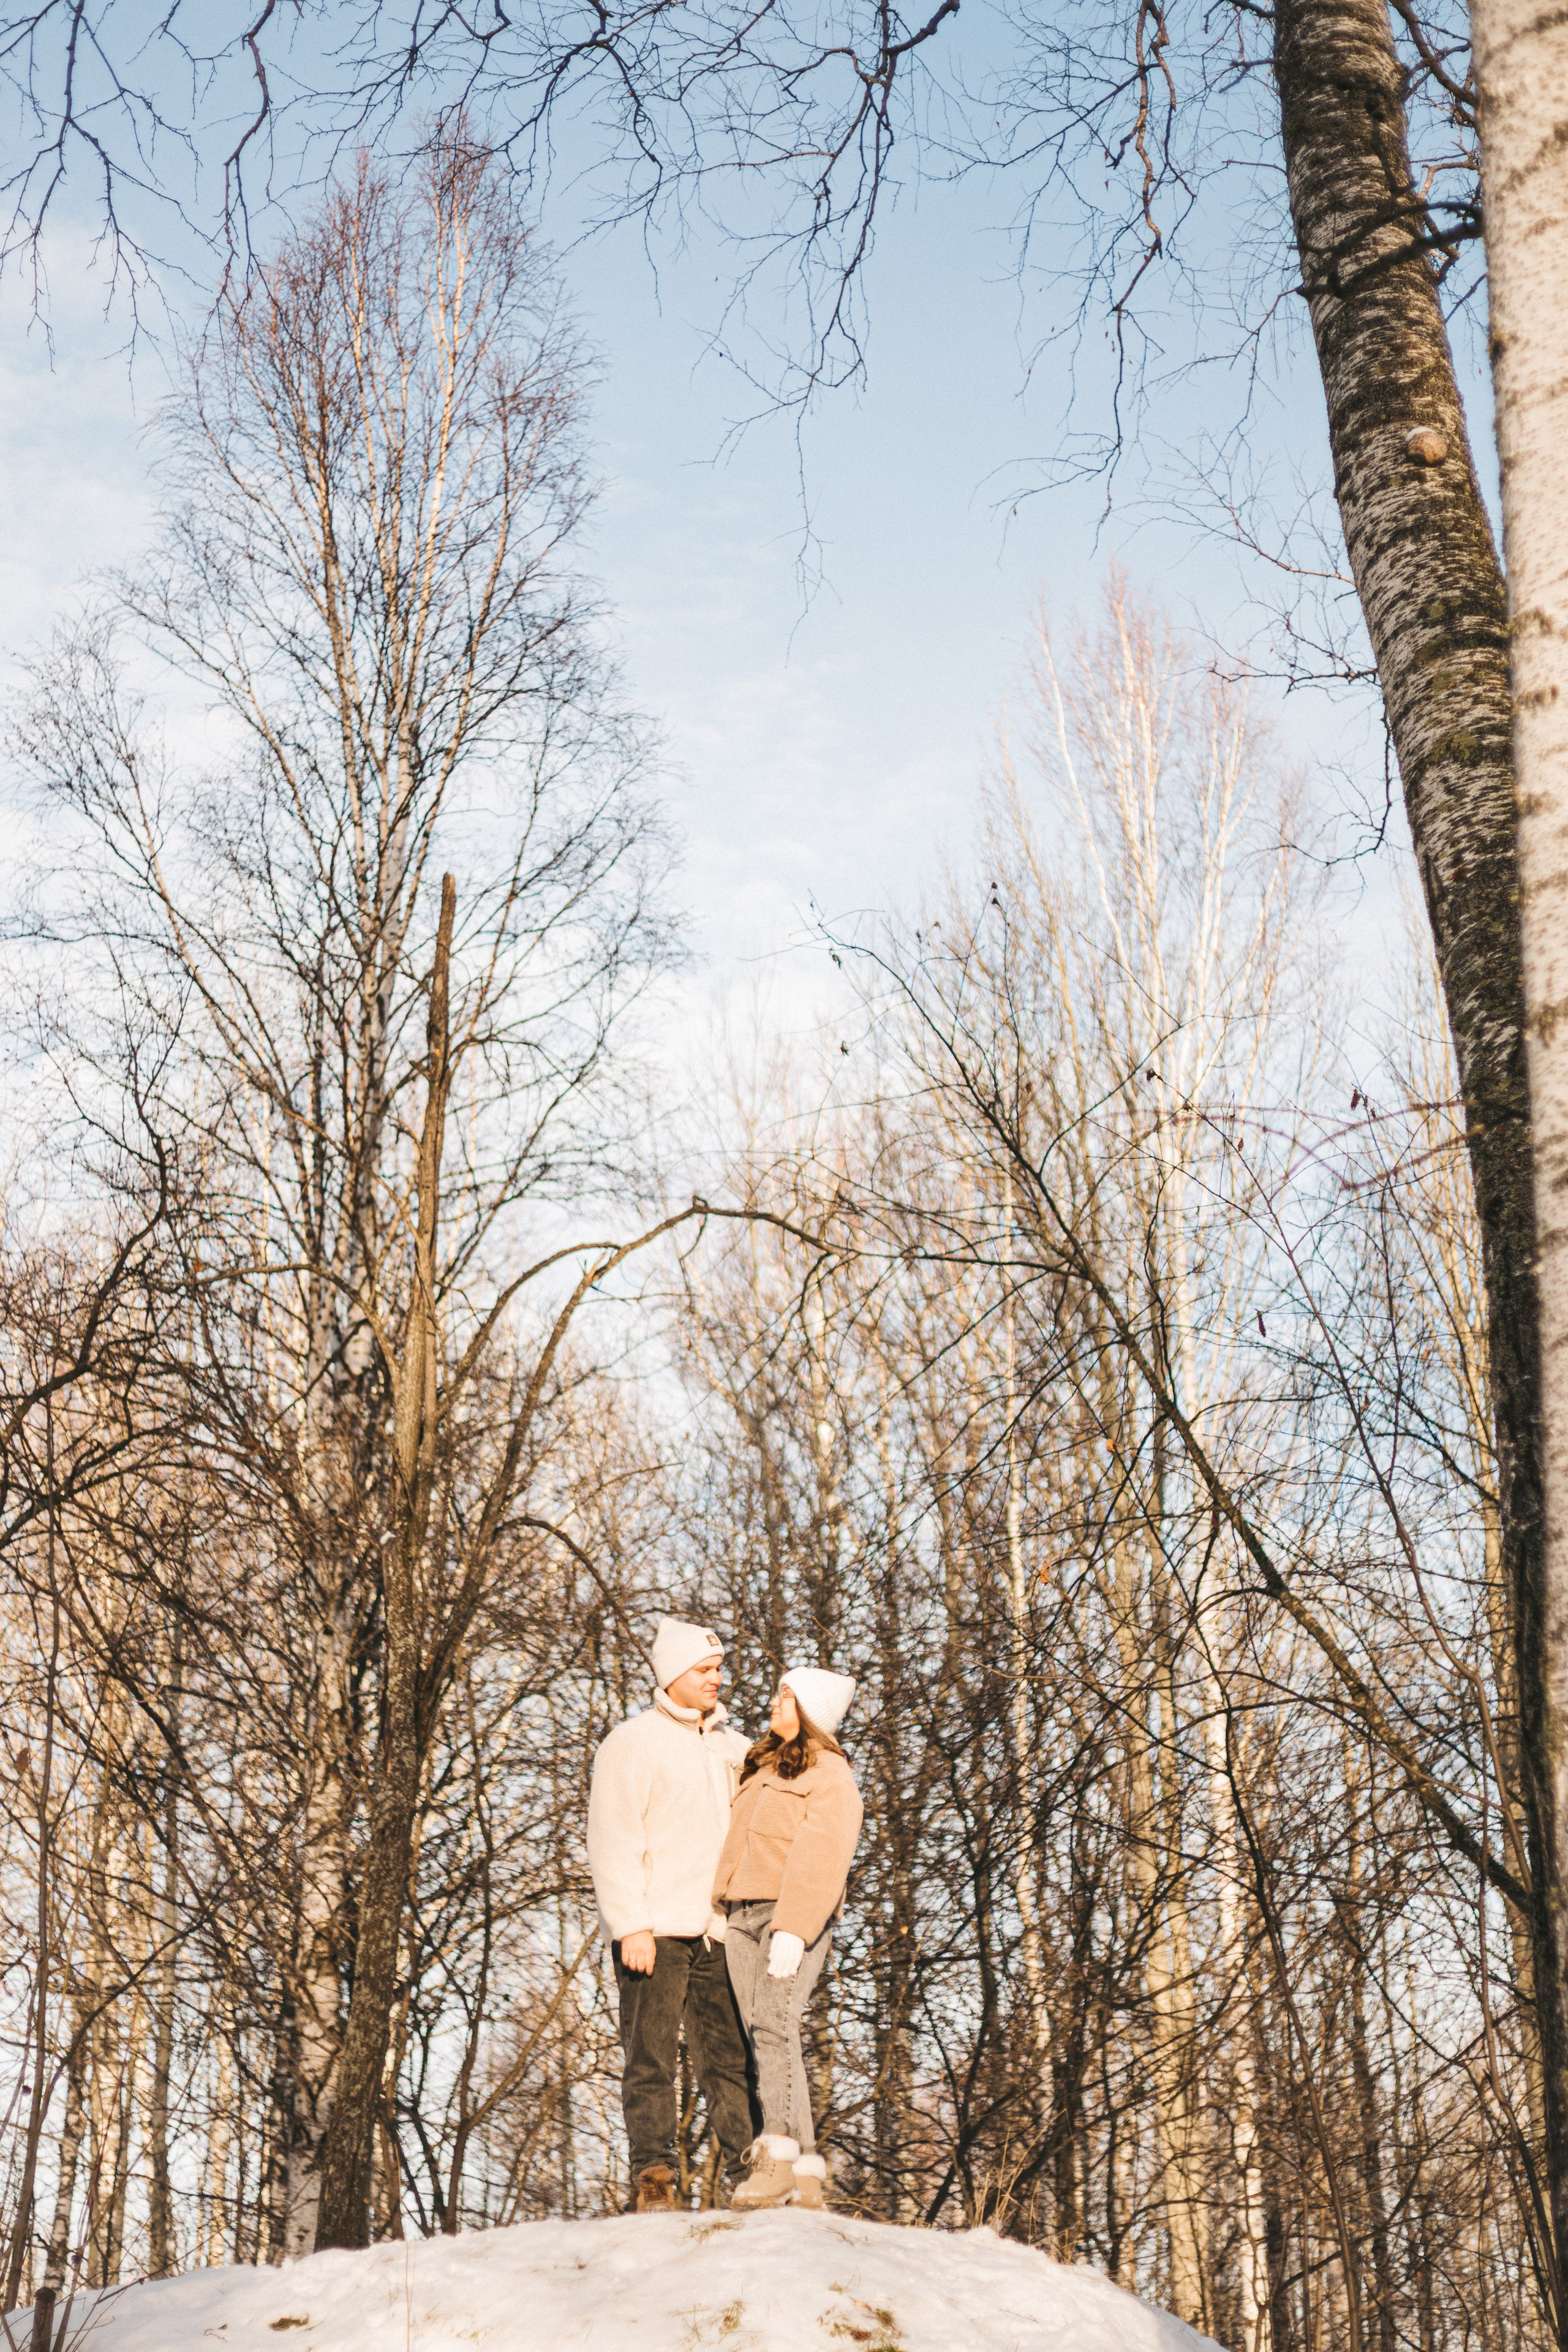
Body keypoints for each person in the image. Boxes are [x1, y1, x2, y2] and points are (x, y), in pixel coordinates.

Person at [587, 1617, 758, 2212]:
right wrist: (629, 1922)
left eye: (718, 1668)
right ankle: (654, 2182)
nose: (717, 1679)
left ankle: (751, 2177)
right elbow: (613, 1839)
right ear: (672, 1675)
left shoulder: (736, 1751)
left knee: (730, 2060)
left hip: (718, 1932)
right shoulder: (631, 1744)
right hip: (653, 1933)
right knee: (651, 2059)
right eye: (704, 1670)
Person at [713, 1665, 862, 2211]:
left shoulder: (832, 1776)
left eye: (786, 1695)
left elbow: (824, 1857)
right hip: (740, 1918)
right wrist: (720, 1909)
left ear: (811, 1711)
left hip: (787, 1919)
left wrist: (795, 1931)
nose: (775, 1702)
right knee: (769, 2038)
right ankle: (805, 2176)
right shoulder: (762, 1768)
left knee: (774, 2028)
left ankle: (776, 2156)